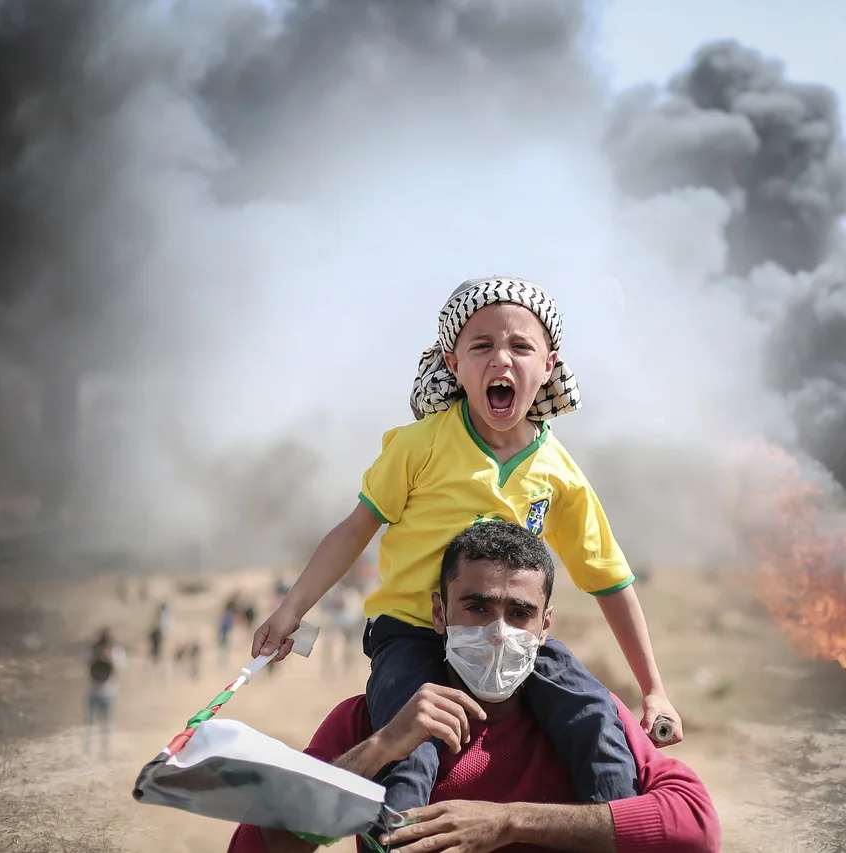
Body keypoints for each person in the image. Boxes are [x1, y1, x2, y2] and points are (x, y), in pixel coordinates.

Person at [252, 276, 681, 819]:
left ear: (548, 365)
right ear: (453, 364)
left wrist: (655, 689)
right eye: (482, 346)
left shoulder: (561, 475)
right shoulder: (419, 445)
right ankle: (400, 840)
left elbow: (609, 579)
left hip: (510, 636)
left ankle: (610, 829)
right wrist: (290, 611)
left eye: (520, 346)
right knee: (412, 743)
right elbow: (354, 529)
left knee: (596, 718)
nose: (501, 360)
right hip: (412, 632)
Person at [228, 521, 718, 853]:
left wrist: (506, 822)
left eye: (520, 613)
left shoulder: (588, 717)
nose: (499, 632)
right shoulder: (370, 721)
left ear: (545, 626)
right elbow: (257, 843)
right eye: (478, 607)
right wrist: (380, 749)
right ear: (440, 613)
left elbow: (695, 825)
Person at [84, 627, 125, 758]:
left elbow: (119, 666)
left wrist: (109, 656)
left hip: (105, 691)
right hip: (100, 690)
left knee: (104, 723)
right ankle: (89, 749)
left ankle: (104, 750)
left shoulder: (114, 651)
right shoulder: (95, 650)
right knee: (94, 723)